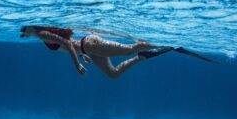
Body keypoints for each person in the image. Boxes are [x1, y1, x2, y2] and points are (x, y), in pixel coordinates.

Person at [20, 25, 214, 79]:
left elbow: (68, 45)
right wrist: (82, 55)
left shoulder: (43, 34)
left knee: (128, 49)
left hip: (91, 44)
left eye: (23, 31)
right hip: (89, 50)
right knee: (113, 74)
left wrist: (76, 62)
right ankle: (143, 56)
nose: (22, 34)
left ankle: (167, 42)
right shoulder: (41, 35)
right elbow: (70, 44)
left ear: (30, 27)